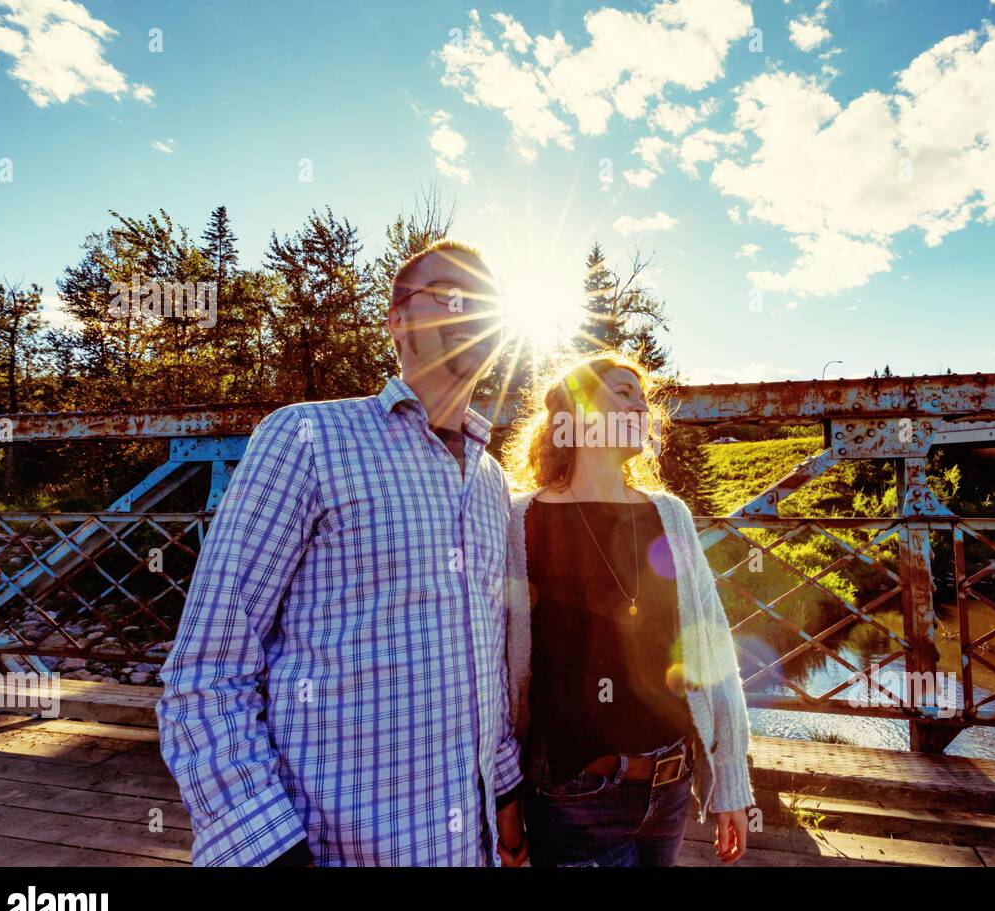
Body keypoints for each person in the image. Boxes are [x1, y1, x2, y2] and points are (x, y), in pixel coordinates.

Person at [157, 240, 527, 866]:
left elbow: (481, 658)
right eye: (451, 297)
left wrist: (508, 791)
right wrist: (266, 850)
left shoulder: (490, 479)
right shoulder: (309, 438)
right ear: (399, 320)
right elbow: (207, 672)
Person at [500, 351, 754, 866]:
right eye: (623, 394)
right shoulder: (519, 522)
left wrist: (732, 783)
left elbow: (712, 648)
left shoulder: (669, 515)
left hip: (670, 787)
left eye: (644, 398)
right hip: (574, 795)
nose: (642, 408)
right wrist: (504, 797)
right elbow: (493, 667)